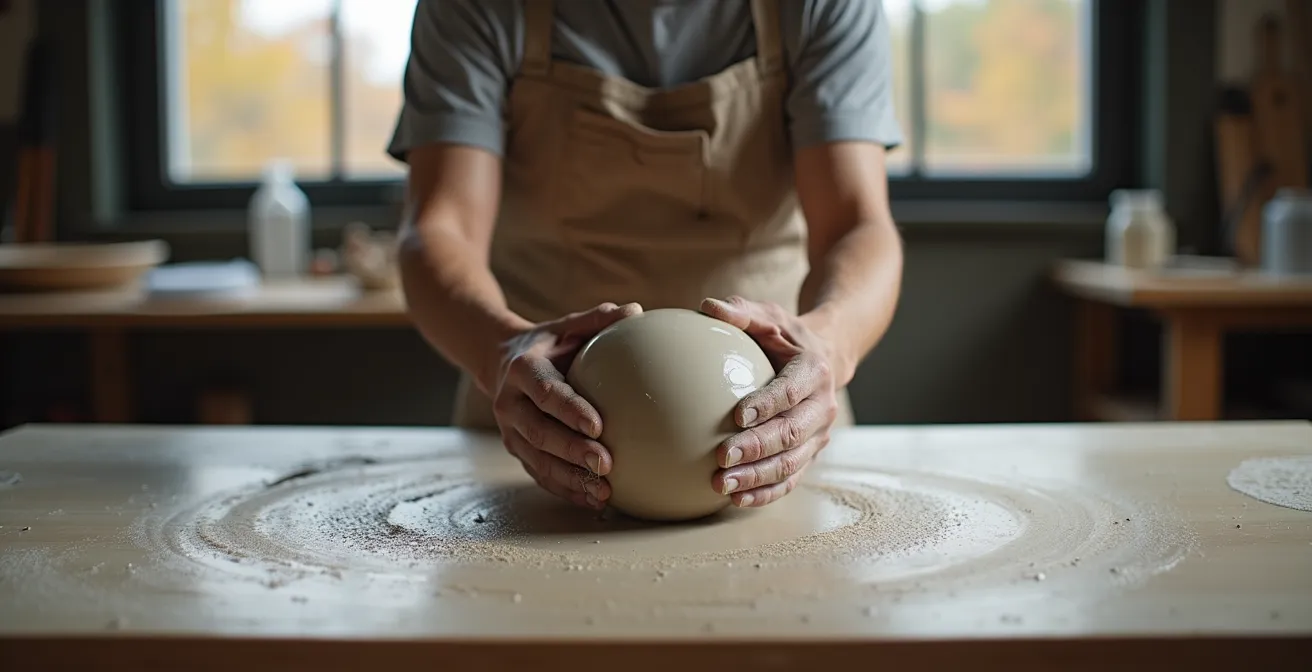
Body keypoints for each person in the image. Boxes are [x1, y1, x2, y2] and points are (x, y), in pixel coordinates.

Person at [389, 0, 904, 513]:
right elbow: (439, 228)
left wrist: (827, 347)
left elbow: (856, 224)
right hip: (536, 431)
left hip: (776, 432)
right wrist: (499, 352)